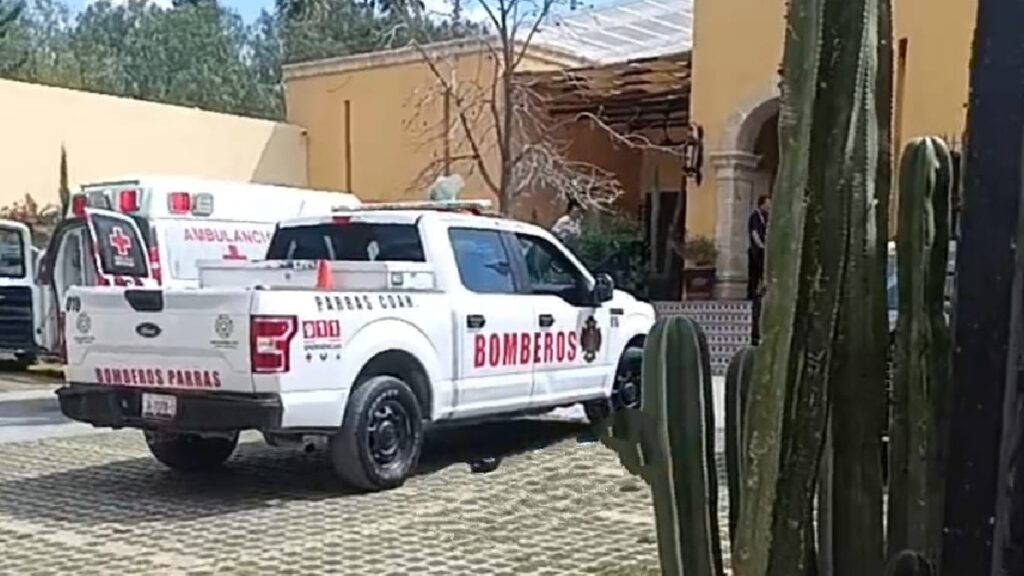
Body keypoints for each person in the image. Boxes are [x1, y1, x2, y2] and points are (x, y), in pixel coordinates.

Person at [747, 195, 769, 300]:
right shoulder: (755, 216)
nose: (769, 206)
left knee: (761, 272)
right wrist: (761, 245)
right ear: (762, 204)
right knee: (754, 273)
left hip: (762, 250)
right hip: (756, 251)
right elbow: (754, 233)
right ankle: (751, 294)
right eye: (767, 204)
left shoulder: (765, 217)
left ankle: (759, 292)